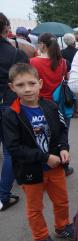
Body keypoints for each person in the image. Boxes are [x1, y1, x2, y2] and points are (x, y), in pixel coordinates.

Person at [2, 63, 74, 241]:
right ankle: (41, 237)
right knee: (35, 208)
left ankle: (62, 226)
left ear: (40, 84)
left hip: (55, 168)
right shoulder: (11, 114)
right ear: (12, 87)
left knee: (62, 201)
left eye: (31, 83)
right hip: (30, 171)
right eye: (20, 85)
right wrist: (44, 157)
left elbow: (61, 131)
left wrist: (63, 148)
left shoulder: (50, 106)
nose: (27, 89)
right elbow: (13, 148)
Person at [30, 33, 74, 176]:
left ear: (42, 44)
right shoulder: (63, 62)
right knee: (62, 134)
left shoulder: (34, 62)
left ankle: (43, 167)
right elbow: (66, 80)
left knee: (42, 137)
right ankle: (64, 164)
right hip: (60, 105)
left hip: (41, 105)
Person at [0, 13, 28, 211]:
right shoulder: (15, 52)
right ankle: (2, 196)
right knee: (10, 151)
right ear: (7, 27)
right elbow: (26, 78)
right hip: (8, 105)